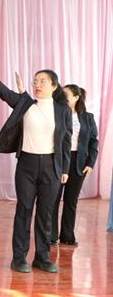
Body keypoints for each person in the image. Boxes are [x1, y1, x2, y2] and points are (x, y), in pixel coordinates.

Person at [0, 54, 71, 273]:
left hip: (51, 166)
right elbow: (3, 92)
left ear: (54, 86)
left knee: (46, 213)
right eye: (35, 81)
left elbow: (66, 141)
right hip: (26, 165)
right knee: (24, 210)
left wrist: (65, 169)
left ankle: (42, 258)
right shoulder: (25, 104)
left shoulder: (63, 111)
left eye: (42, 81)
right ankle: (19, 258)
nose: (37, 84)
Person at [50, 84, 98, 246]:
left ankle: (67, 236)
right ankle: (51, 236)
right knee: (53, 199)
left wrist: (90, 163)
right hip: (58, 160)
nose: (63, 98)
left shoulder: (88, 117)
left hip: (79, 162)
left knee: (71, 201)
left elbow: (93, 142)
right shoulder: (56, 113)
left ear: (76, 98)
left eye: (66, 95)